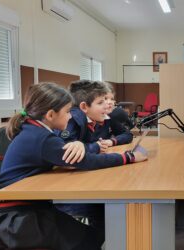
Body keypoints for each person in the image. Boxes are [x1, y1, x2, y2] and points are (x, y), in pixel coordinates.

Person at [0, 82, 147, 249]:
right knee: (89, 238)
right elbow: (88, 161)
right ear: (50, 115)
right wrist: (128, 157)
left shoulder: (33, 130)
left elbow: (69, 154)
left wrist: (79, 146)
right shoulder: (42, 138)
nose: (70, 117)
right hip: (18, 218)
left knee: (93, 223)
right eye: (68, 112)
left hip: (23, 207)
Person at [56, 80, 132, 243]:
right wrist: (95, 147)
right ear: (84, 107)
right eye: (101, 102)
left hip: (81, 178)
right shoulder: (75, 119)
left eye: (108, 100)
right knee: (105, 205)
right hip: (63, 191)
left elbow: (126, 135)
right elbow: (68, 153)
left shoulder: (97, 117)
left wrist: (109, 143)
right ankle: (102, 241)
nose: (107, 105)